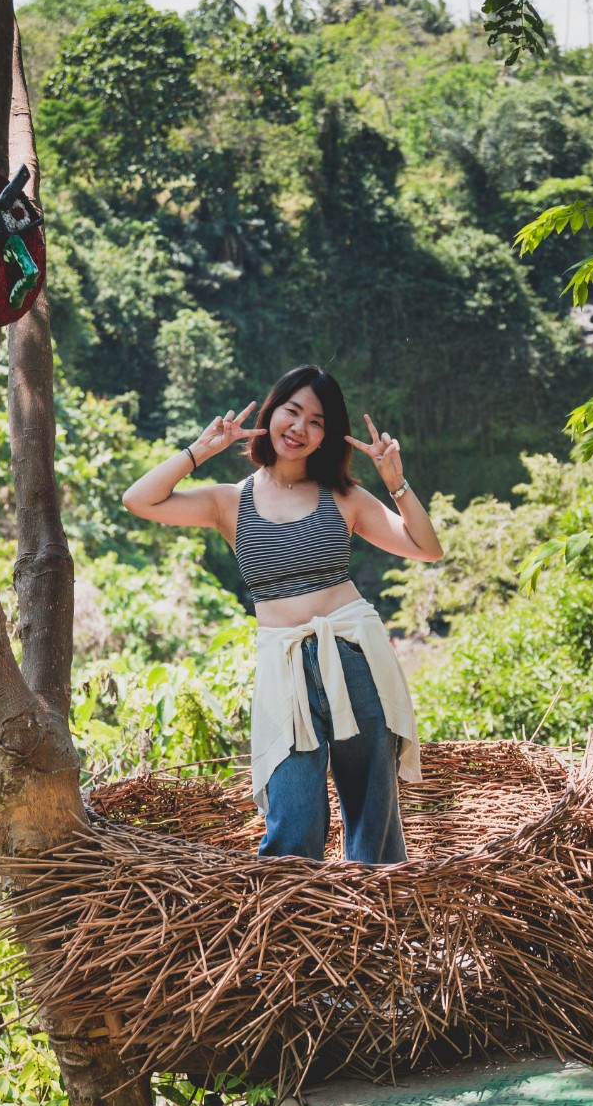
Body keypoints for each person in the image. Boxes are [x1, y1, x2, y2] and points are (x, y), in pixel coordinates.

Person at [122, 365, 443, 864]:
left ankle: (373, 928)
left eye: (316, 421)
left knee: (371, 808)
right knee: (291, 816)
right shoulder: (228, 501)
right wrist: (200, 451)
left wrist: (396, 483)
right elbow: (137, 500)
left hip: (355, 654)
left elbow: (427, 548)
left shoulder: (344, 498)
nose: (299, 428)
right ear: (271, 413)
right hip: (284, 667)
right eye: (292, 411)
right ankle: (297, 934)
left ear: (326, 436)